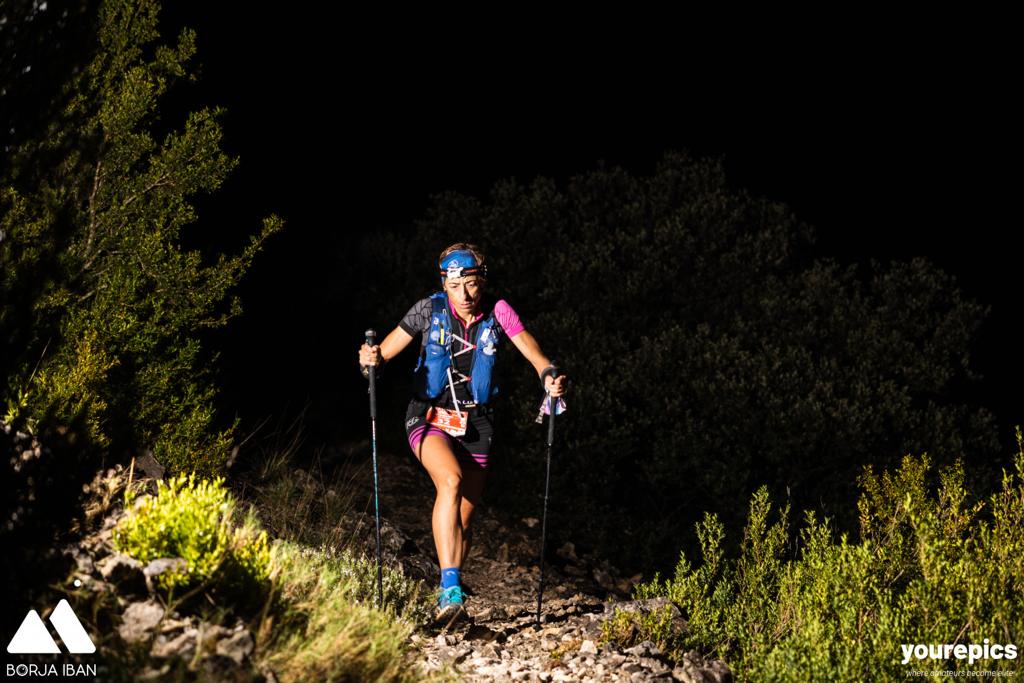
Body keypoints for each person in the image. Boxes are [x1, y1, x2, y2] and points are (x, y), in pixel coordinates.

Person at [358, 243, 567, 621]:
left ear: (482, 281)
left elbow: (531, 350)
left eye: (471, 284)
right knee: (450, 482)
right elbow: (383, 352)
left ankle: (450, 587)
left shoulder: (498, 312)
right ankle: (450, 591)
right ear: (445, 284)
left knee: (464, 520)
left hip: (477, 423)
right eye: (456, 286)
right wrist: (369, 358)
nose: (465, 295)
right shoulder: (428, 309)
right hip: (428, 416)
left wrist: (548, 374)